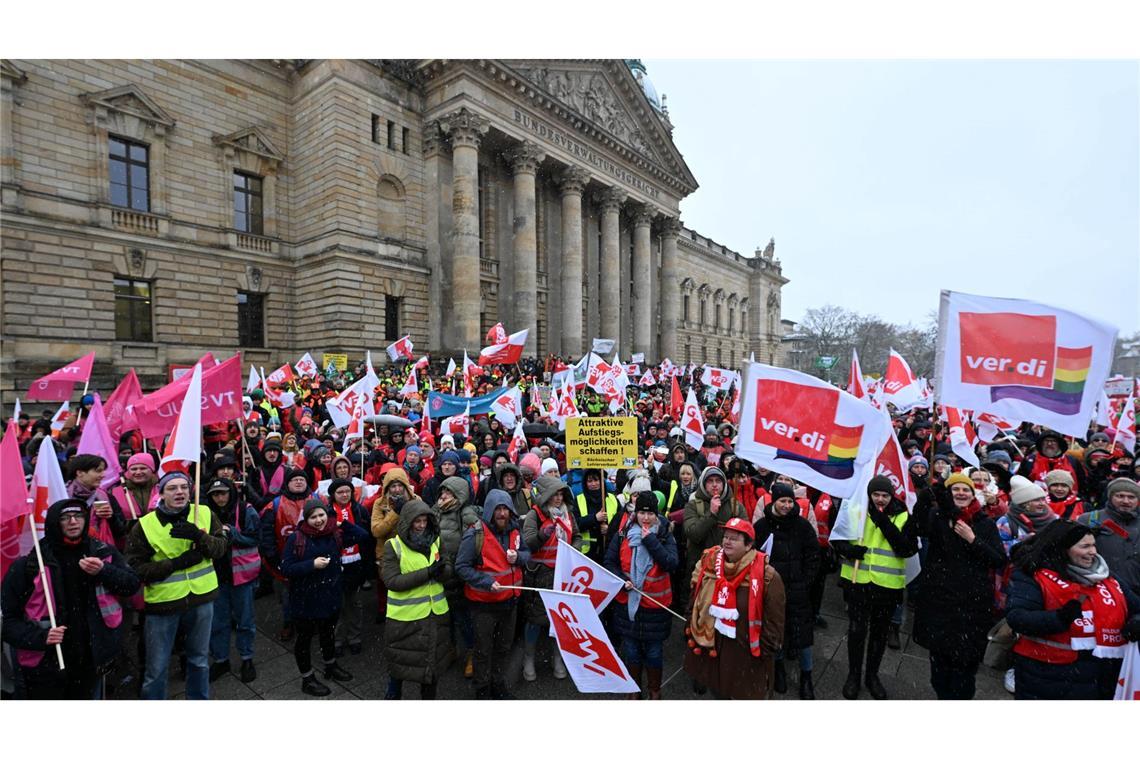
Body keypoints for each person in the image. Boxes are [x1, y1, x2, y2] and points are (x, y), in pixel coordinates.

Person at [1, 498, 140, 699]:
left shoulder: (102, 552)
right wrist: (40, 637)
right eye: (65, 518)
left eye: (78, 516)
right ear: (53, 523)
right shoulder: (30, 564)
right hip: (45, 664)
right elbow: (8, 622)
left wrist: (104, 571)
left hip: (91, 659)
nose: (73, 522)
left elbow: (132, 585)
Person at [125, 471, 229, 700]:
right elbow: (135, 568)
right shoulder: (144, 525)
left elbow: (221, 548)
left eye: (183, 487)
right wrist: (176, 564)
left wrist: (199, 537)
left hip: (201, 599)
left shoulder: (204, 513)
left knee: (199, 661)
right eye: (172, 488)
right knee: (156, 668)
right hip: (163, 605)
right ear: (161, 493)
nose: (179, 492)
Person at [1006, 520, 1140, 699]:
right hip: (1049, 676)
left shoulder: (1106, 576)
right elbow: (1017, 618)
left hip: (1103, 677)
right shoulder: (1032, 574)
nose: (1093, 552)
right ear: (1063, 549)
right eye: (1085, 546)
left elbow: (1136, 607)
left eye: (1093, 545)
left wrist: (1136, 621)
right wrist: (1059, 619)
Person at [912, 472, 1007, 699]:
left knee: (964, 670)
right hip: (940, 602)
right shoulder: (938, 516)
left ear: (973, 495)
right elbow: (918, 527)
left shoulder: (985, 523)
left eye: (966, 490)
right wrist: (924, 499)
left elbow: (998, 559)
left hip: (971, 607)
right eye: (955, 489)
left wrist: (973, 539)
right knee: (939, 667)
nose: (961, 493)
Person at [832, 476, 919, 700]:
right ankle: (853, 675)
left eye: (885, 495)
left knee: (879, 634)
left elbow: (907, 549)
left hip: (887, 586)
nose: (880, 499)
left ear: (892, 496)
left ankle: (872, 676)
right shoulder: (856, 510)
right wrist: (849, 551)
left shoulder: (903, 515)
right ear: (869, 494)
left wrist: (883, 522)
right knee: (856, 631)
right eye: (876, 495)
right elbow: (837, 539)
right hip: (858, 582)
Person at [684, 517, 786, 699]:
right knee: (718, 693)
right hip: (714, 653)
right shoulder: (709, 564)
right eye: (725, 537)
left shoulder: (767, 577)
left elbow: (774, 626)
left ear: (748, 546)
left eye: (734, 538)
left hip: (745, 659)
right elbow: (696, 596)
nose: (727, 542)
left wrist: (761, 653)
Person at [281, 499, 369, 696]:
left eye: (321, 515)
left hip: (330, 597)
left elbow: (362, 535)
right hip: (305, 600)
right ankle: (307, 678)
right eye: (313, 517)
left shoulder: (334, 533)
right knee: (304, 640)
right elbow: (286, 568)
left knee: (328, 634)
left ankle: (331, 665)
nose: (318, 520)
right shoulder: (297, 538)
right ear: (306, 519)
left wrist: (341, 522)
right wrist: (311, 565)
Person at [455, 488, 530, 699]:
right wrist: (486, 582)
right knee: (483, 650)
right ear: (489, 510)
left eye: (505, 509)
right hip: (484, 605)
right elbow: (461, 566)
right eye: (498, 509)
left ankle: (497, 685)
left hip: (510, 603)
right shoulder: (475, 534)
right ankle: (482, 689)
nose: (502, 513)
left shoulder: (516, 531)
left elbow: (527, 554)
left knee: (503, 648)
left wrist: (519, 557)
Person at [604, 491, 678, 699]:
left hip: (655, 607)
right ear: (635, 513)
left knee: (654, 652)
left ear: (657, 514)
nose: (645, 518)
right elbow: (609, 562)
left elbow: (671, 563)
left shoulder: (664, 534)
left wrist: (651, 541)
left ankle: (654, 690)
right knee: (632, 651)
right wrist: (622, 580)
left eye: (650, 513)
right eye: (642, 513)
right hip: (628, 606)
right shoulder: (623, 535)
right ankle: (634, 689)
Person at [753, 481, 820, 699]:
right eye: (783, 501)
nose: (787, 505)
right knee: (776, 631)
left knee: (803, 634)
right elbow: (753, 556)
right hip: (772, 592)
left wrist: (806, 581)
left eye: (790, 501)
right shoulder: (762, 526)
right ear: (774, 501)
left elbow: (813, 555)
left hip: (798, 589)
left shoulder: (802, 526)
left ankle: (806, 676)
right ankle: (779, 669)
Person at [382, 498, 451, 699]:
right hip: (405, 619)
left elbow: (447, 566)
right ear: (407, 522)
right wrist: (428, 572)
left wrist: (444, 571)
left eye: (425, 521)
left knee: (431, 668)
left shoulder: (436, 540)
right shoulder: (393, 546)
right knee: (400, 666)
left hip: (435, 615)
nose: (421, 526)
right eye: (417, 521)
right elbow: (392, 581)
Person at [521, 473, 582, 682]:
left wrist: (574, 549)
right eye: (554, 494)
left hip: (563, 573)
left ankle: (558, 658)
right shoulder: (535, 515)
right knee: (535, 619)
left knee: (560, 619)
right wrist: (541, 535)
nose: (558, 498)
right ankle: (529, 658)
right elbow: (528, 543)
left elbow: (577, 536)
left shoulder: (568, 513)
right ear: (546, 495)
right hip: (540, 575)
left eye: (561, 494)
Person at [205, 477, 261, 684]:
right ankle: (221, 659)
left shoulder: (246, 511)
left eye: (223, 493)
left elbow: (256, 539)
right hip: (215, 577)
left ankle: (247, 658)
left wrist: (234, 535)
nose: (220, 498)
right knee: (218, 622)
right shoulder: (204, 514)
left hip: (242, 577)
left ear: (231, 492)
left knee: (245, 620)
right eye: (215, 494)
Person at [431, 475, 479, 676]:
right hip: (440, 573)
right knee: (445, 617)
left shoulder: (466, 513)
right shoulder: (435, 511)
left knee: (463, 618)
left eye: (448, 492)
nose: (444, 495)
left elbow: (475, 543)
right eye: (442, 491)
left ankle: (471, 654)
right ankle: (451, 649)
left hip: (459, 576)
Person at [258, 467, 313, 642]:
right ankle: (289, 623)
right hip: (284, 561)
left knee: (311, 593)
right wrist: (273, 558)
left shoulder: (317, 500)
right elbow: (266, 534)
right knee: (287, 596)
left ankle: (309, 622)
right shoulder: (274, 505)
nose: (299, 482)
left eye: (302, 479)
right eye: (294, 479)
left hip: (311, 560)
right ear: (287, 484)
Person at [325, 478, 373, 656]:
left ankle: (354, 637)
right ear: (333, 494)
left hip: (356, 562)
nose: (344, 495)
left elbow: (366, 536)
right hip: (335, 564)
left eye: (347, 491)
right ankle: (337, 639)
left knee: (354, 603)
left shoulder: (359, 510)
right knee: (337, 605)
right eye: (340, 492)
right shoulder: (327, 512)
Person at [1077, 477, 1140, 595]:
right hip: (1100, 590)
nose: (1126, 501)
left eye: (1131, 497)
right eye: (1120, 496)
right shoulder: (1089, 519)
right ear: (1110, 497)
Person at [683, 466, 749, 577]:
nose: (714, 484)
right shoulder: (693, 505)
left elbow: (747, 536)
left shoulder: (735, 506)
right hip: (700, 567)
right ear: (704, 485)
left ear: (724, 484)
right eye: (710, 481)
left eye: (718, 481)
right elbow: (693, 534)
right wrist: (711, 513)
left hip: (729, 567)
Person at [575, 468, 619, 563]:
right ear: (585, 483)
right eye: (590, 481)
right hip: (587, 553)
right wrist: (594, 518)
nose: (594, 484)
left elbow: (621, 523)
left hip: (609, 550)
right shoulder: (578, 500)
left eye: (596, 480)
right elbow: (575, 524)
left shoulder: (612, 499)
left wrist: (609, 529)